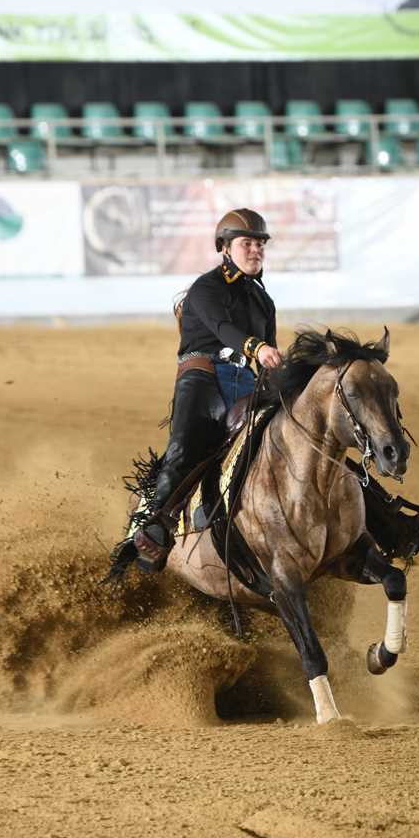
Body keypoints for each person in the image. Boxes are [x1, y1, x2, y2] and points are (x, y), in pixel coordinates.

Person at [131, 208, 281, 571]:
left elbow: (270, 358)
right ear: (225, 248)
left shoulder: (263, 301)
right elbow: (222, 327)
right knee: (184, 447)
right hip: (203, 376)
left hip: (247, 382)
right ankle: (152, 529)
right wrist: (257, 347)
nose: (256, 250)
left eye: (260, 244)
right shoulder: (206, 288)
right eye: (247, 243)